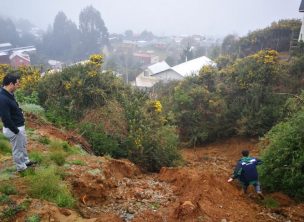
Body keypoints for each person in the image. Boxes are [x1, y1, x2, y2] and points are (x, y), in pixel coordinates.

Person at [0, 73, 36, 173]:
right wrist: (16, 131)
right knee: (17, 149)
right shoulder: (2, 98)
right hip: (14, 128)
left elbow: (12, 108)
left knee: (22, 145)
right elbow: (5, 118)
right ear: (11, 84)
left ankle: (26, 161)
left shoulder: (9, 94)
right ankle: (21, 168)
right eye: (17, 84)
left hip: (18, 126)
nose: (18, 85)